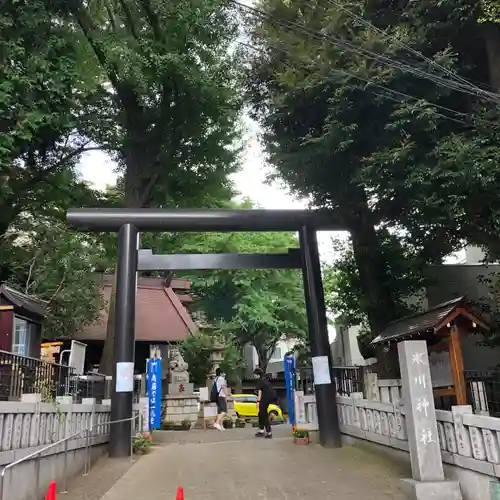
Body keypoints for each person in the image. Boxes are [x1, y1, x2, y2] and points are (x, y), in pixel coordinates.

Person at [254, 367, 274, 439]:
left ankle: (269, 433)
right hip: (267, 399)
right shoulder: (265, 380)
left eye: (255, 374)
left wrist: (258, 402)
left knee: (264, 415)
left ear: (258, 375)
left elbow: (260, 392)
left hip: (264, 400)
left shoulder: (260, 381)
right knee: (261, 414)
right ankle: (261, 430)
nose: (254, 376)